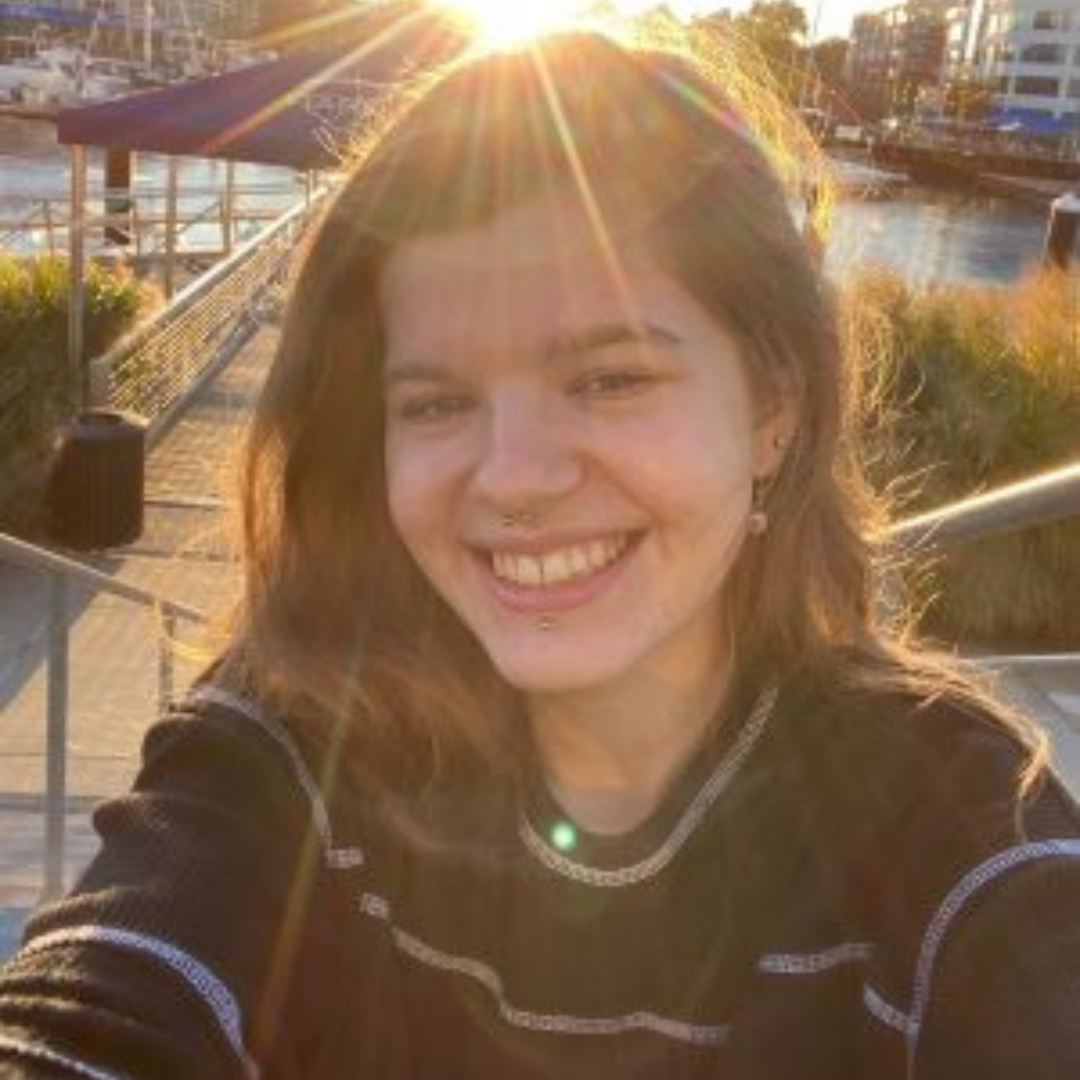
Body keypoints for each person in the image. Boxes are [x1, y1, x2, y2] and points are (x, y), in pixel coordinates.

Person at [1, 28, 1078, 1080]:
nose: (512, 478)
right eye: (436, 401)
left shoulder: (952, 818)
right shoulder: (289, 754)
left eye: (610, 379)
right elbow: (105, 1000)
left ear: (774, 404)